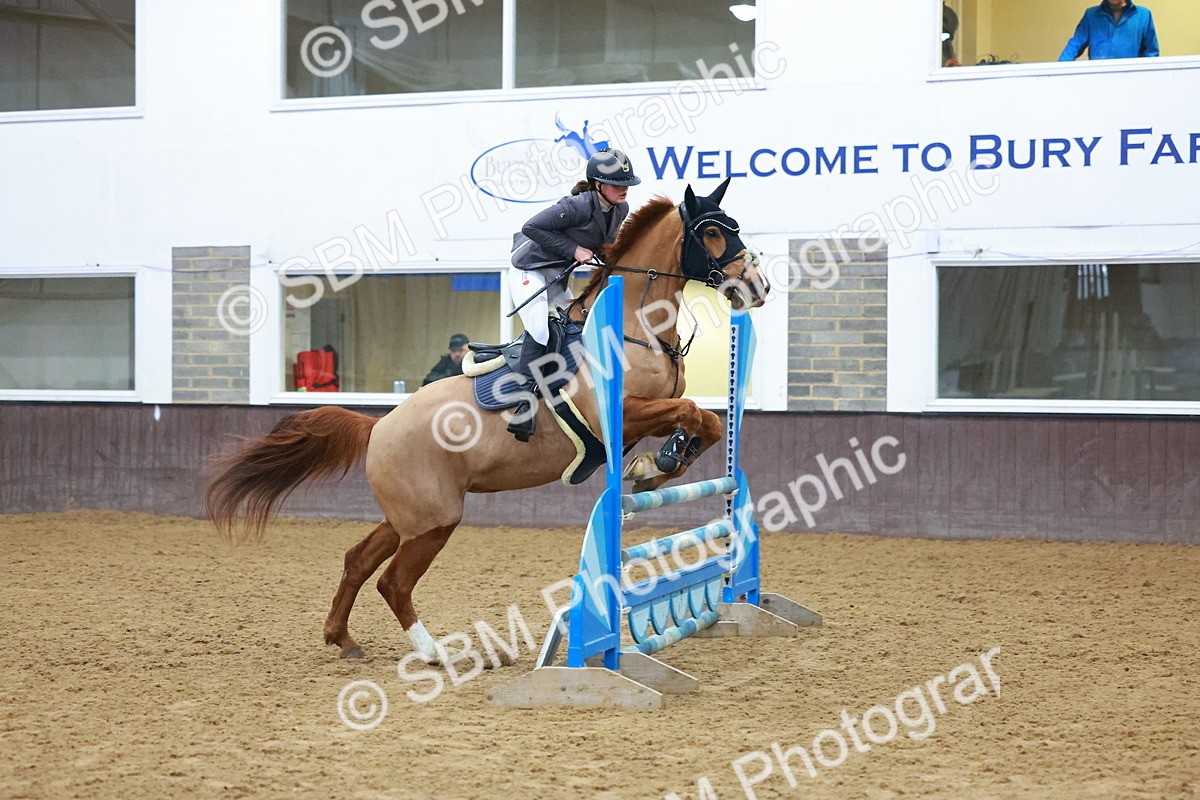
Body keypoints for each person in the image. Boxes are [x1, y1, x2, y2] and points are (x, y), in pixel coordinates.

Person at [505, 148, 641, 440]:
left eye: (626, 184)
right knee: (540, 328)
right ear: (597, 185)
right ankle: (523, 404)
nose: (624, 189)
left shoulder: (621, 209)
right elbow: (531, 227)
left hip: (557, 274)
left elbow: (606, 244)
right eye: (617, 184)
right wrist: (573, 250)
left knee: (579, 324)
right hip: (530, 268)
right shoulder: (576, 205)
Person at [1059, 0, 1159, 61]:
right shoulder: (1091, 15)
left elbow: (1151, 53)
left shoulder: (1143, 15)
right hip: (1099, 80)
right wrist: (1059, 69)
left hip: (1131, 81)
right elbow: (1075, 45)